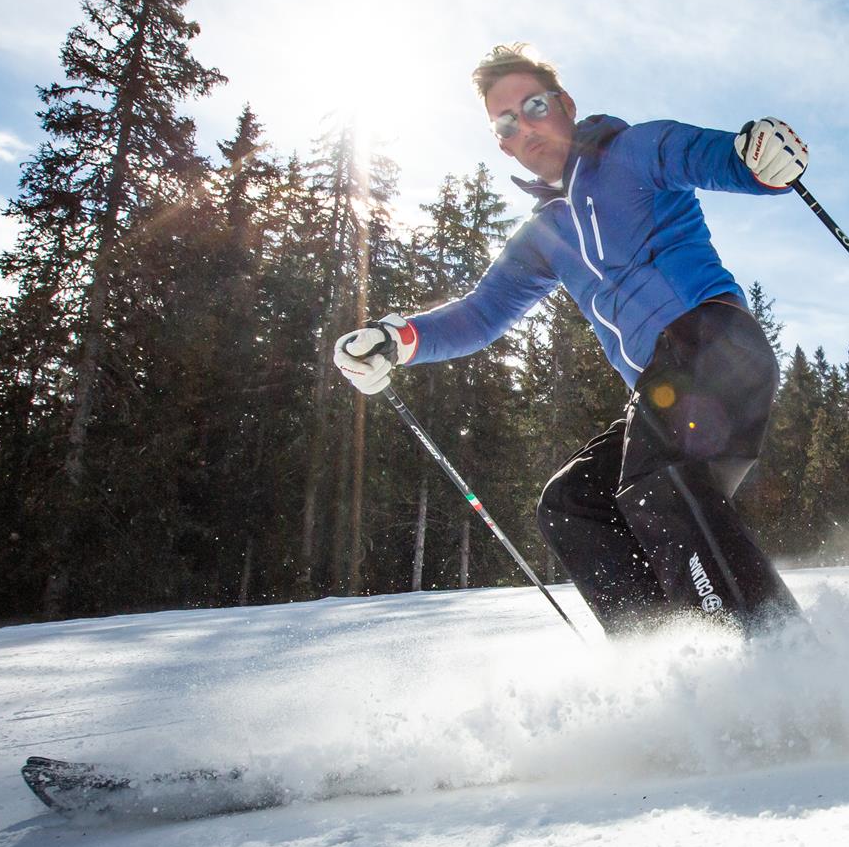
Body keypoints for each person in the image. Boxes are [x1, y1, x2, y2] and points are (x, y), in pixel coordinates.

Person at [334, 43, 808, 636]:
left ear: (565, 105)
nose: (523, 125)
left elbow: (707, 156)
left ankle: (779, 660)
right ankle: (672, 672)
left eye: (533, 105)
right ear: (501, 142)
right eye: (505, 122)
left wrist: (755, 159)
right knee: (575, 504)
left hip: (713, 341)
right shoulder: (545, 235)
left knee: (657, 484)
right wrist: (398, 338)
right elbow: (482, 315)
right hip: (658, 386)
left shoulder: (632, 153)